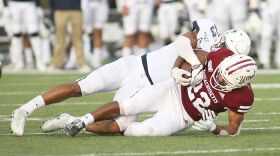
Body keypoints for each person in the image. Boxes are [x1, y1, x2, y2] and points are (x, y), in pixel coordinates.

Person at [10, 19, 250, 136]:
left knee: (117, 126)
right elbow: (183, 42)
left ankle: (70, 120)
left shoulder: (225, 68)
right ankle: (25, 109)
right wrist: (186, 66)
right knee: (80, 87)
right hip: (135, 66)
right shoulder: (209, 31)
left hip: (148, 89)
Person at [54, 48, 257, 137]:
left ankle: (70, 119)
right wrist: (180, 69)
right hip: (173, 89)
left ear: (239, 84)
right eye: (220, 74)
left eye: (224, 80)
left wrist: (213, 128)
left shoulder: (243, 97)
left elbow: (233, 129)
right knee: (128, 106)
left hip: (182, 116)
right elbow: (190, 52)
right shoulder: (221, 57)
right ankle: (82, 121)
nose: (217, 79)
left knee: (136, 131)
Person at [49, 0, 91, 72]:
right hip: (60, 8)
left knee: (78, 37)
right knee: (60, 37)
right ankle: (56, 63)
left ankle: (82, 63)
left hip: (76, 8)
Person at [81, 0, 109, 68]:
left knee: (98, 31)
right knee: (82, 30)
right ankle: (77, 58)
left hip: (101, 3)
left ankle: (96, 59)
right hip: (86, 3)